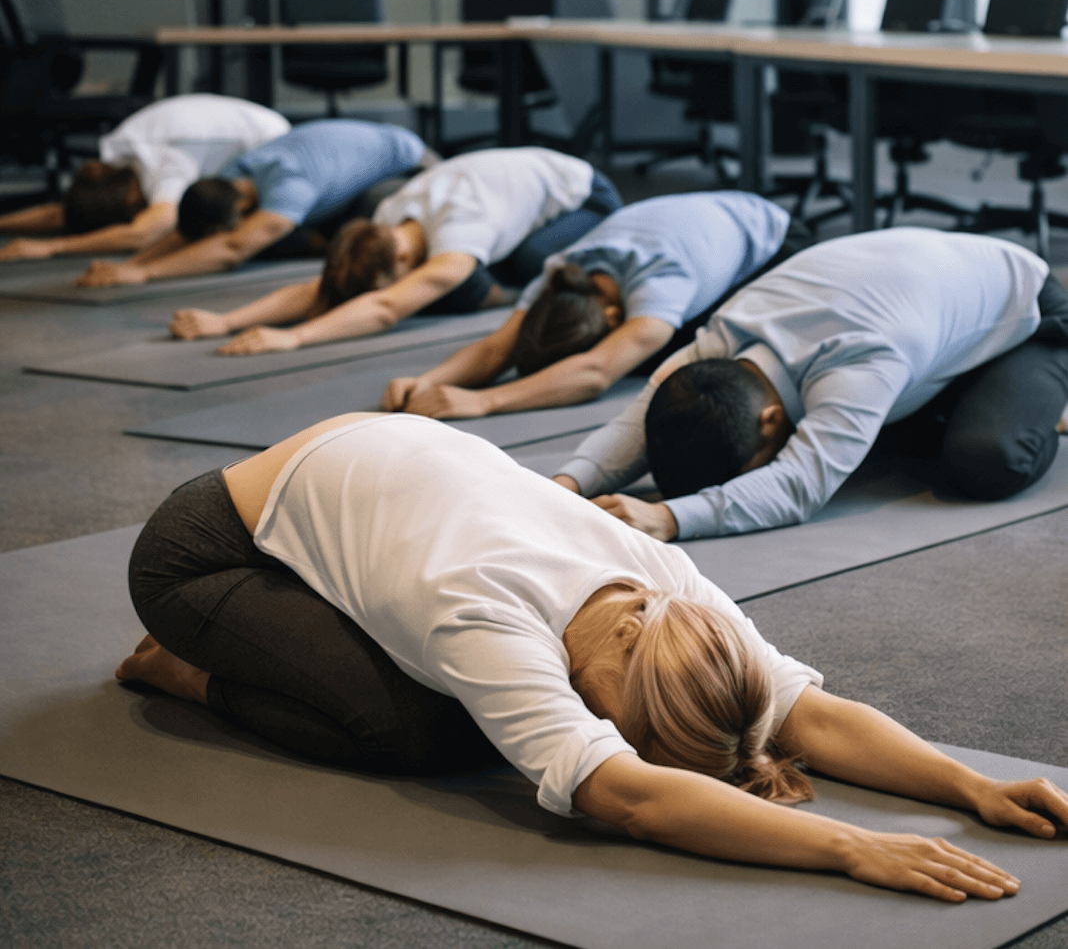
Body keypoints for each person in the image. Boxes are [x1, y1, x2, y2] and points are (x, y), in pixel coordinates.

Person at [116, 411, 1068, 903]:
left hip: (370, 478)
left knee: (481, 723)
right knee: (418, 732)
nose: (623, 744)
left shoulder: (666, 587)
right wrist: (854, 848)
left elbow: (801, 712)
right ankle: (185, 667)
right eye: (634, 734)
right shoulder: (479, 611)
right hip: (208, 549)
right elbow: (631, 798)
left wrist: (966, 786)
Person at [548, 228, 1068, 543]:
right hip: (923, 301)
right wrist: (566, 485)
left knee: (987, 461)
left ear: (771, 420)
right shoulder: (727, 330)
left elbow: (798, 488)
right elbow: (641, 416)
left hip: (1031, 309)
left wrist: (667, 517)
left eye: (760, 455)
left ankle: (1047, 392)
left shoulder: (860, 360)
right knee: (868, 437)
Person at [381, 192, 798, 420]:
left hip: (776, 242)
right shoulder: (561, 271)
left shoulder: (662, 281)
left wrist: (486, 401)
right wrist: (427, 381)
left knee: (661, 357)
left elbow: (596, 372)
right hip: (694, 218)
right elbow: (497, 347)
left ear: (613, 318)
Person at [168, 147, 621, 355]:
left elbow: (386, 307)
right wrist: (226, 321)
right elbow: (320, 286)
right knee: (447, 282)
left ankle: (508, 278)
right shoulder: (388, 213)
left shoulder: (461, 229)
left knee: (517, 268)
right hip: (513, 189)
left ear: (404, 262)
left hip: (587, 196)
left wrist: (294, 337)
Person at [76, 118, 432, 290]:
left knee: (352, 237)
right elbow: (192, 230)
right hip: (356, 156)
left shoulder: (290, 186)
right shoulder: (236, 174)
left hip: (413, 165)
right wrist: (133, 260)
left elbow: (232, 247)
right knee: (272, 237)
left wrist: (144, 274)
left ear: (243, 207)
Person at [0, 94, 290, 262]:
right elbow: (62, 214)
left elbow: (145, 231)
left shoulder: (168, 165)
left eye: (129, 213)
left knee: (195, 233)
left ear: (131, 198)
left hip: (275, 150)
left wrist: (51, 248)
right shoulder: (118, 155)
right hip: (240, 130)